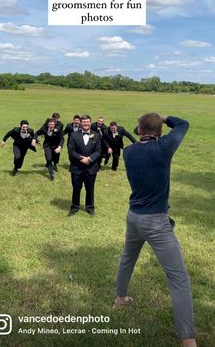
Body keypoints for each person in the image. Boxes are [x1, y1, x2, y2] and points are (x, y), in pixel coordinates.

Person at [114, 113, 197, 347]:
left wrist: (146, 125)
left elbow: (142, 136)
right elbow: (184, 123)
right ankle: (188, 341)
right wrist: (164, 118)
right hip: (157, 222)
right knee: (178, 279)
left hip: (134, 217)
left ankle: (120, 298)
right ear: (159, 132)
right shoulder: (164, 147)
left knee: (127, 258)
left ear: (139, 130)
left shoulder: (128, 152)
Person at [68, 114, 101, 216]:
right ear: (80, 123)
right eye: (84, 122)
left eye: (87, 122)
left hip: (91, 168)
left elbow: (98, 151)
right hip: (77, 167)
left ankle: (90, 207)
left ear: (90, 123)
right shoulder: (73, 135)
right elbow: (71, 150)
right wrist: (82, 158)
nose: (86, 124)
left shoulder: (96, 135)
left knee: (90, 188)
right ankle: (74, 207)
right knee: (76, 188)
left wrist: (90, 159)